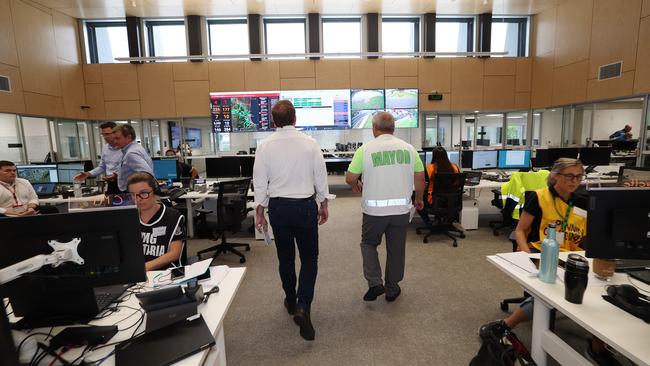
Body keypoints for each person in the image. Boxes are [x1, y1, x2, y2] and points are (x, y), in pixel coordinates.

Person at [479, 158, 619, 366]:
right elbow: (520, 231)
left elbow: (592, 236)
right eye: (569, 176)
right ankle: (505, 325)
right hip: (542, 252)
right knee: (548, 292)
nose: (574, 181)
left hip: (574, 256)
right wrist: (527, 255)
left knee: (603, 293)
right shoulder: (539, 198)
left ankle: (597, 348)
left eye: (578, 176)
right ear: (555, 176)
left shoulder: (584, 201)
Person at [253, 100, 329, 341]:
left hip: (279, 209)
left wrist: (259, 211)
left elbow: (260, 182)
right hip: (305, 207)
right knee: (309, 258)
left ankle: (290, 300)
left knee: (285, 257)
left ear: (274, 121)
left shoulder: (264, 146)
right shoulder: (310, 143)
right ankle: (303, 306)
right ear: (295, 119)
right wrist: (323, 202)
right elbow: (320, 176)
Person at [345, 112, 425, 303]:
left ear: (374, 128)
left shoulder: (365, 149)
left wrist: (356, 185)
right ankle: (392, 288)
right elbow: (420, 177)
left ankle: (374, 282)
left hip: (374, 212)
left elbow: (350, 178)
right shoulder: (409, 149)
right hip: (400, 211)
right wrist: (419, 198)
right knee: (396, 249)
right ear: (394, 128)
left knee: (369, 244)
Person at [127, 172, 184, 271]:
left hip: (165, 274)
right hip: (136, 275)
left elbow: (175, 253)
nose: (138, 199)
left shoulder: (173, 216)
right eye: (133, 195)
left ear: (155, 192)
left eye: (144, 193)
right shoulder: (129, 218)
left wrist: (144, 267)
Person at [74, 121, 123, 194]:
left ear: (116, 133)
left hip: (124, 183)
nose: (105, 137)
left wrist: (119, 175)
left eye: (107, 134)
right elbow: (102, 167)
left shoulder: (124, 148)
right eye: (103, 134)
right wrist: (89, 173)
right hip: (111, 184)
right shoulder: (105, 148)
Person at [112, 124, 154, 192]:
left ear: (129, 137)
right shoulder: (136, 148)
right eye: (114, 139)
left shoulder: (131, 153)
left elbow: (147, 174)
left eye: (117, 138)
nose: (115, 142)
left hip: (133, 192)